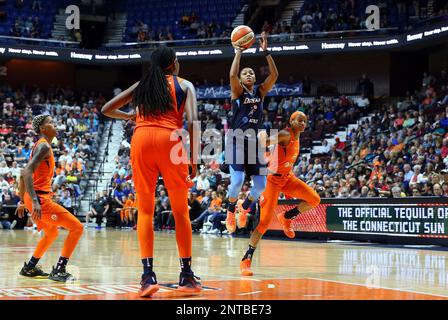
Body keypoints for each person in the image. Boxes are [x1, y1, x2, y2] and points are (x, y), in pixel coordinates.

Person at [102, 46, 201, 297]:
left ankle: (147, 276)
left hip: (142, 140)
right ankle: (186, 276)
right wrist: (194, 159)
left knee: (145, 210)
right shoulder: (185, 85)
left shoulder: (141, 85)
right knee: (180, 211)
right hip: (170, 140)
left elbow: (106, 109)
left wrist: (129, 117)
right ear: (174, 64)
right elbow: (194, 122)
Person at [239, 111, 321, 276]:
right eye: (299, 120)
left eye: (305, 121)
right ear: (291, 121)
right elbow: (264, 142)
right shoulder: (285, 134)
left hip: (287, 178)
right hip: (272, 181)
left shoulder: (298, 138)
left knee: (314, 199)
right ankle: (246, 259)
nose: (303, 123)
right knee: (264, 223)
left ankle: (287, 217)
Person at [15, 114, 84, 282]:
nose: (55, 125)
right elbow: (26, 172)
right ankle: (59, 270)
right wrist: (34, 201)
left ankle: (30, 267)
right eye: (51, 123)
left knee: (51, 233)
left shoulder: (39, 146)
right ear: (43, 129)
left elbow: (23, 174)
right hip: (40, 199)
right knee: (77, 228)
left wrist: (23, 201)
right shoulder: (44, 146)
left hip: (34, 199)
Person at [225, 31, 279, 234]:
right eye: (246, 73)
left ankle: (244, 207)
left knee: (261, 187)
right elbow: (231, 75)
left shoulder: (260, 92)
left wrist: (267, 53)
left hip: (254, 144)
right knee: (237, 181)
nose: (250, 74)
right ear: (240, 78)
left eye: (252, 73)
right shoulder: (238, 92)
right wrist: (238, 53)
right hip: (237, 141)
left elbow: (274, 76)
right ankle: (230, 210)